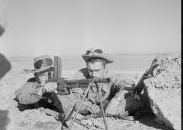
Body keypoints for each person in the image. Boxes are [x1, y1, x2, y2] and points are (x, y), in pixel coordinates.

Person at [15, 49, 145, 121]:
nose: (93, 74)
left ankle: (108, 111)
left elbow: (128, 84)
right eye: (90, 71)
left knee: (133, 99)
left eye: (97, 71)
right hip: (86, 106)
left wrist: (115, 101)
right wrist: (86, 107)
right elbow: (74, 98)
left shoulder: (110, 76)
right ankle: (104, 113)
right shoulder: (80, 75)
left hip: (106, 103)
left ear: (105, 70)